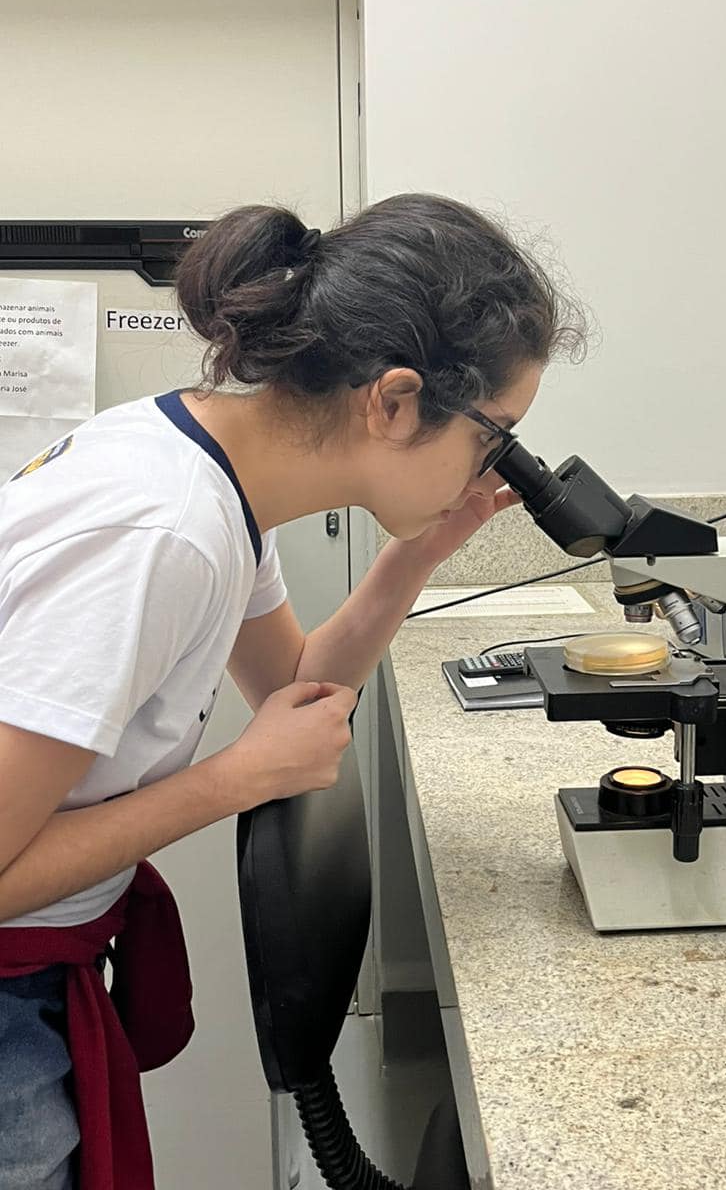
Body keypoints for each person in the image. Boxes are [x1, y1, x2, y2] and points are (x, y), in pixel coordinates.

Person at [0, 193, 583, 1187]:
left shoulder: (208, 473)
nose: (500, 465)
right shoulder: (160, 530)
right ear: (395, 401)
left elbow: (299, 687)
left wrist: (416, 554)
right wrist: (228, 779)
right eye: (496, 434)